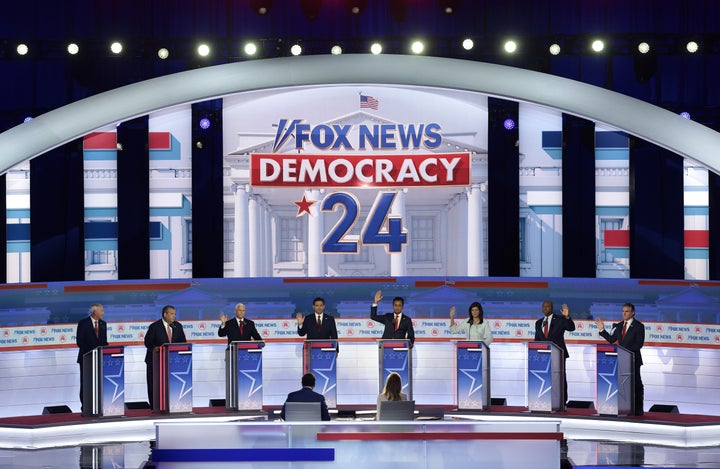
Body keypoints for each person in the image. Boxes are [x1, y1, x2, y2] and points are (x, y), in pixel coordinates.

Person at [595, 303, 645, 416]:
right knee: (623, 384)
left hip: (633, 360)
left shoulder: (639, 326)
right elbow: (612, 340)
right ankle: (624, 407)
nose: (624, 313)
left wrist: (625, 351)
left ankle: (638, 410)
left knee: (636, 384)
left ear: (633, 313)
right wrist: (602, 330)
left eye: (627, 311)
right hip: (621, 360)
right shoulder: (619, 325)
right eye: (623, 311)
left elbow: (639, 344)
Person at [534, 300, 575, 406]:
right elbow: (537, 341)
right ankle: (545, 399)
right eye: (543, 306)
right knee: (545, 378)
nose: (545, 308)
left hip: (558, 355)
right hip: (544, 357)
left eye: (547, 306)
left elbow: (571, 328)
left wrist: (567, 317)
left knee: (560, 378)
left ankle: (562, 402)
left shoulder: (560, 320)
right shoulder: (538, 323)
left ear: (552, 308)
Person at [144, 305, 187, 404]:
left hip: (173, 361)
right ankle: (154, 406)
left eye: (175, 314)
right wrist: (154, 348)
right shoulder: (154, 326)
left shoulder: (178, 326)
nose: (174, 316)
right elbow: (147, 342)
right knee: (154, 384)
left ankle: (172, 403)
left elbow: (183, 343)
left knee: (172, 384)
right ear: (165, 314)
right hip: (155, 362)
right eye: (172, 314)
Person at [76, 303, 108, 411]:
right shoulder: (83, 323)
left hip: (99, 359)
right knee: (86, 383)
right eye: (101, 310)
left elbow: (104, 342)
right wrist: (92, 351)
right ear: (95, 312)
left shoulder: (103, 324)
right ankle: (85, 407)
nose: (103, 313)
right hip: (86, 358)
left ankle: (99, 406)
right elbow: (80, 341)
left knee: (99, 383)